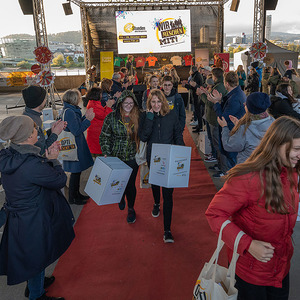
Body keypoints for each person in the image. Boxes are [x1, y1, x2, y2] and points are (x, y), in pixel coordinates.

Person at [206, 116, 300, 300]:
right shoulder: (248, 178)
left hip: (280, 267)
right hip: (251, 273)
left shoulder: (291, 172)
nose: (299, 154)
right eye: (296, 149)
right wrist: (248, 245)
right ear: (277, 144)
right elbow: (214, 213)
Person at [0, 115, 75, 300]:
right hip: (32, 220)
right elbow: (59, 180)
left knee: (33, 256)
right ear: (27, 137)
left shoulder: (8, 155)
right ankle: (36, 294)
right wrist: (54, 160)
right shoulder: (31, 165)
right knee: (37, 258)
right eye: (34, 131)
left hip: (20, 218)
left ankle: (36, 284)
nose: (37, 133)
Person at [138, 89, 184, 243]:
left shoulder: (171, 115)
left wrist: (181, 152)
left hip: (169, 156)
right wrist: (150, 118)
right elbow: (143, 136)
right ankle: (157, 203)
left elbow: (178, 134)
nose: (156, 105)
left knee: (169, 193)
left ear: (163, 101)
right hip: (154, 157)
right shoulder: (146, 116)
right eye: (153, 102)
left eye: (158, 101)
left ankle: (167, 230)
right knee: (156, 184)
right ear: (149, 103)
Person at [100, 90, 140, 224]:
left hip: (132, 157)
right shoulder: (111, 117)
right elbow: (104, 136)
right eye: (125, 102)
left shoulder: (139, 117)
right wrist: (106, 152)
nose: (128, 105)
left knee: (130, 184)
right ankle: (120, 196)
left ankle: (131, 208)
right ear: (120, 103)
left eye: (131, 103)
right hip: (116, 157)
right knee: (119, 182)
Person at [207, 71, 246, 177]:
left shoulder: (235, 98)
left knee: (231, 162)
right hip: (233, 131)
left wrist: (216, 103)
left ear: (226, 84)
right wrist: (220, 100)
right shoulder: (236, 93)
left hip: (231, 132)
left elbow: (222, 118)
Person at [218, 92, 274, 164]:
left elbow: (229, 145)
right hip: (266, 167)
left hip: (247, 168)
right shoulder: (273, 122)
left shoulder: (244, 129)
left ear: (249, 108)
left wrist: (224, 127)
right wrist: (238, 125)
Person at [62, 89, 95, 205]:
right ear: (74, 99)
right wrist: (88, 120)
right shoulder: (70, 112)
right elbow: (76, 130)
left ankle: (76, 194)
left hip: (76, 145)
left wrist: (84, 117)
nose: (80, 99)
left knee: (77, 172)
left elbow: (75, 124)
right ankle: (73, 197)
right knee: (75, 172)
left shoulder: (70, 110)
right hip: (74, 146)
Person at [22, 85, 66, 155]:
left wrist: (51, 131)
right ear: (39, 101)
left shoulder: (33, 116)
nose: (46, 100)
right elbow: (42, 150)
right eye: (44, 98)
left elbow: (42, 137)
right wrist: (55, 134)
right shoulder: (31, 122)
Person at [197, 67, 227, 165]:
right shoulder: (218, 86)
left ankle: (219, 163)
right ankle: (215, 157)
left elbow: (211, 103)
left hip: (214, 118)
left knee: (216, 142)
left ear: (214, 76)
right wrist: (206, 93)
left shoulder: (218, 87)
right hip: (213, 118)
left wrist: (202, 95)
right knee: (214, 140)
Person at [86, 87, 115, 157]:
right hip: (96, 134)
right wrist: (109, 107)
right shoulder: (94, 105)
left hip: (96, 132)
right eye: (101, 94)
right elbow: (104, 117)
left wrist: (106, 107)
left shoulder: (94, 103)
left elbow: (101, 113)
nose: (102, 95)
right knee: (99, 156)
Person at [182, 66, 203, 132]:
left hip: (197, 96)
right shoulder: (196, 75)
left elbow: (194, 87)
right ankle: (199, 125)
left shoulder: (197, 76)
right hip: (195, 96)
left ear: (192, 70)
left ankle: (200, 127)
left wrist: (185, 85)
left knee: (198, 112)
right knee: (197, 111)